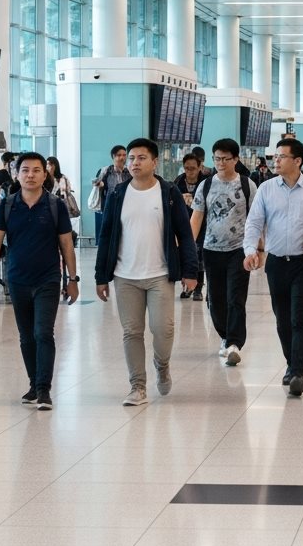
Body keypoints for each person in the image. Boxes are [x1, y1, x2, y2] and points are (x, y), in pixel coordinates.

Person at [94, 138, 200, 406]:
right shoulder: (117, 194)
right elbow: (106, 236)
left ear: (155, 162)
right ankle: (137, 386)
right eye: (131, 158)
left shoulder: (168, 193)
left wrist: (191, 270)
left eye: (141, 158)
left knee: (163, 330)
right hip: (125, 275)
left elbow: (185, 235)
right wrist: (100, 276)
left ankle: (161, 365)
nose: (134, 163)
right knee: (131, 331)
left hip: (160, 274)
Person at [0, 152, 77, 410]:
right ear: (17, 174)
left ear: (45, 175)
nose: (30, 175)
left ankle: (44, 389)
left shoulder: (55, 206)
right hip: (18, 279)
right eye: (25, 170)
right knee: (26, 336)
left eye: (36, 170)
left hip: (48, 278)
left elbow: (66, 244)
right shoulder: (8, 206)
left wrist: (72, 278)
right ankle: (34, 384)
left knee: (43, 332)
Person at [242, 138, 303, 397]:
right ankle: (290, 363)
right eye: (276, 156)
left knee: (299, 319)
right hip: (275, 264)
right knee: (283, 321)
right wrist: (250, 250)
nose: (277, 160)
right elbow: (253, 223)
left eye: (282, 156)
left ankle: (297, 373)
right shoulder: (266, 189)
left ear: (297, 161)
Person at [191, 138, 258, 367]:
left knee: (235, 297)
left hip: (239, 250)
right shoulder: (206, 185)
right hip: (211, 249)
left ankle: (234, 343)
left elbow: (257, 220)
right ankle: (224, 336)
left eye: (225, 159)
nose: (220, 162)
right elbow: (197, 216)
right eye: (217, 158)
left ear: (236, 160)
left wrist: (258, 249)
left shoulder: (248, 185)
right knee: (215, 300)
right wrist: (189, 248)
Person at [173, 153, 210, 301]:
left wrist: (195, 202)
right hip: (183, 225)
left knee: (198, 256)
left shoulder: (206, 183)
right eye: (187, 168)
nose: (190, 172)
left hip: (203, 225)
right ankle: (186, 287)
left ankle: (198, 289)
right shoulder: (178, 181)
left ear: (200, 167)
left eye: (193, 168)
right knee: (184, 255)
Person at [91, 145, 130, 246]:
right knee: (108, 235)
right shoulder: (106, 171)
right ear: (113, 156)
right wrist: (100, 185)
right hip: (109, 207)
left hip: (126, 206)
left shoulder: (129, 171)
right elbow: (98, 183)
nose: (122, 158)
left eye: (124, 155)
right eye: (119, 155)